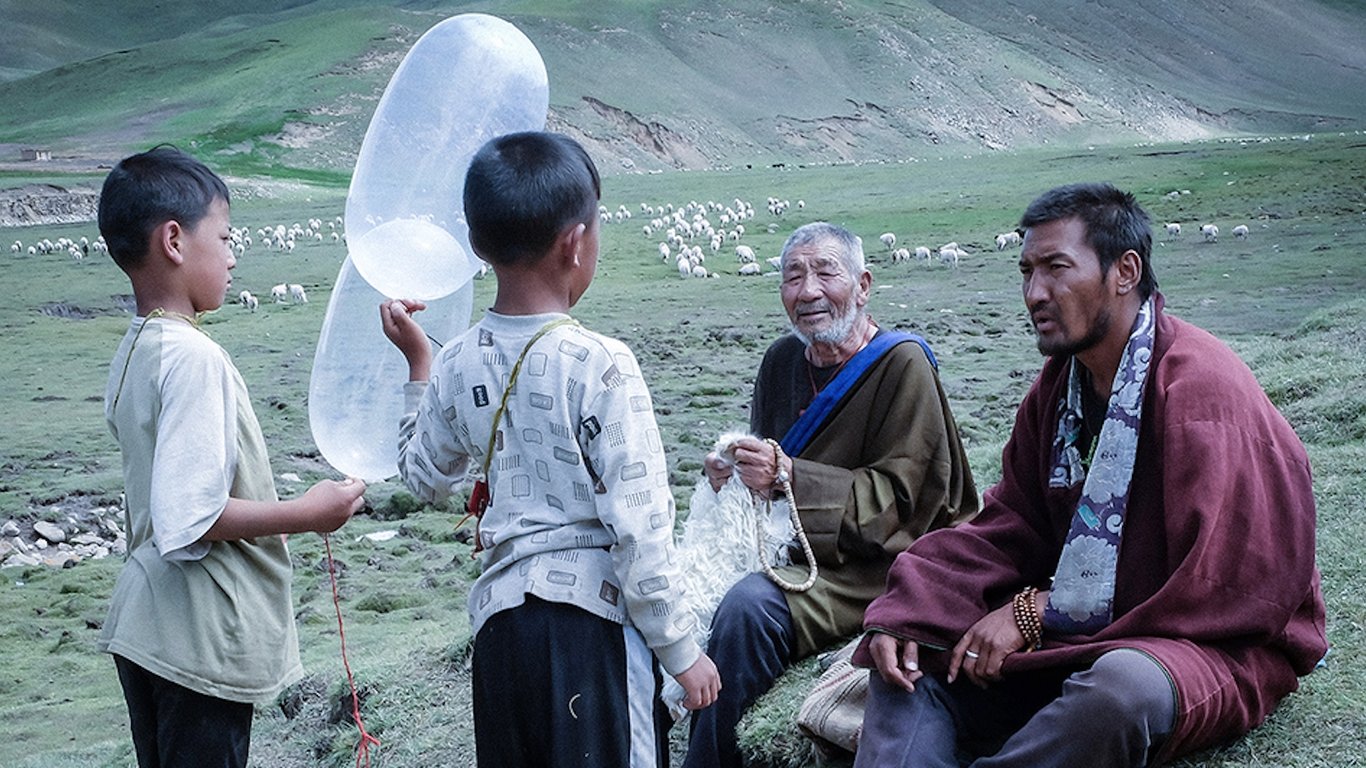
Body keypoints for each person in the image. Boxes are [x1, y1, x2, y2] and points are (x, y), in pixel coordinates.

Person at [853, 183, 1328, 768]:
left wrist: (1035, 612)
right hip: (1077, 637)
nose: (1035, 293)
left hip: (1205, 646)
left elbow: (1225, 585)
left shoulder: (1202, 390)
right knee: (907, 660)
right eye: (1026, 272)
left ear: (1124, 271)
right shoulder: (1059, 388)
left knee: (1121, 691)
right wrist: (913, 606)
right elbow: (1014, 521)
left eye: (1056, 268)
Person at [381, 131, 720, 768]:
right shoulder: (601, 364)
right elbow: (640, 526)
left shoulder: (455, 365)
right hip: (591, 629)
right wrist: (681, 651)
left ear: (480, 244)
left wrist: (419, 366)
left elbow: (423, 477)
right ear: (576, 243)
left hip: (500, 630)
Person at [97, 145, 367, 768]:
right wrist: (307, 512)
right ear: (173, 240)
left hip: (148, 627)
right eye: (224, 235)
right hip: (195, 637)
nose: (233, 253)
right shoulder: (194, 357)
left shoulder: (137, 348)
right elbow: (191, 515)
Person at [683, 221, 979, 768]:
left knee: (749, 609)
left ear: (863, 285)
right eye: (793, 276)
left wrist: (791, 477)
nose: (809, 291)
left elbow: (907, 502)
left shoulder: (902, 365)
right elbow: (768, 475)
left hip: (877, 565)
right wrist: (732, 473)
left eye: (826, 272)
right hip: (797, 548)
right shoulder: (780, 361)